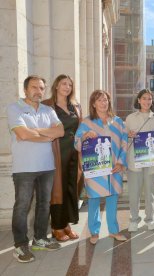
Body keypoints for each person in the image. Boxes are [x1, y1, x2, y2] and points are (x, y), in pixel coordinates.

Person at [7, 75, 63, 263]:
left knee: (44, 204)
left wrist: (35, 133)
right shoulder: (14, 108)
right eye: (34, 87)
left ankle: (39, 238)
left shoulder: (48, 110)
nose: (38, 91)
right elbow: (22, 134)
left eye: (41, 88)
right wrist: (47, 134)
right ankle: (20, 246)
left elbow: (60, 131)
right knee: (22, 206)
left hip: (47, 166)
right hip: (24, 168)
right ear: (25, 90)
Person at [74, 90, 128, 244]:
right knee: (94, 200)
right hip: (95, 169)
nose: (103, 103)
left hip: (114, 168)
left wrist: (120, 162)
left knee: (112, 199)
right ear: (93, 104)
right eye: (99, 100)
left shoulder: (118, 121)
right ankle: (94, 232)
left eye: (105, 100)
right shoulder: (86, 122)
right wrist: (84, 136)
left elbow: (124, 143)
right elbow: (76, 144)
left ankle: (114, 231)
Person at [42, 74, 82, 242]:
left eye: (70, 85)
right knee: (57, 190)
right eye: (63, 84)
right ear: (56, 86)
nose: (67, 87)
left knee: (71, 188)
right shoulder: (47, 106)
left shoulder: (75, 106)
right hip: (56, 152)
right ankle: (56, 227)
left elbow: (79, 128)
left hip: (74, 153)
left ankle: (66, 224)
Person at [125, 89, 154, 232]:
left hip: (151, 161)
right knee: (134, 193)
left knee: (150, 192)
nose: (147, 101)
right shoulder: (130, 118)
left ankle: (150, 219)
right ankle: (134, 220)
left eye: (149, 99)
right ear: (139, 100)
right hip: (134, 161)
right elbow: (124, 139)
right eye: (144, 98)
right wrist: (128, 135)